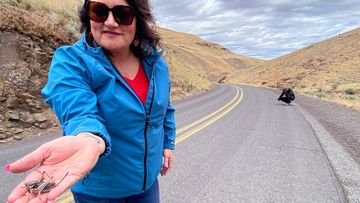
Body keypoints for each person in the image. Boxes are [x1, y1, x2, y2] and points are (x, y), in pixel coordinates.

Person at [6, 0, 176, 202]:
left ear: (138, 19)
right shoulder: (71, 61)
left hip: (147, 188)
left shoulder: (156, 64)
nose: (111, 22)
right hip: (99, 194)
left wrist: (168, 143)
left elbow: (164, 109)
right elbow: (78, 111)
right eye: (100, 11)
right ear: (88, 16)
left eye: (122, 14)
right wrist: (91, 139)